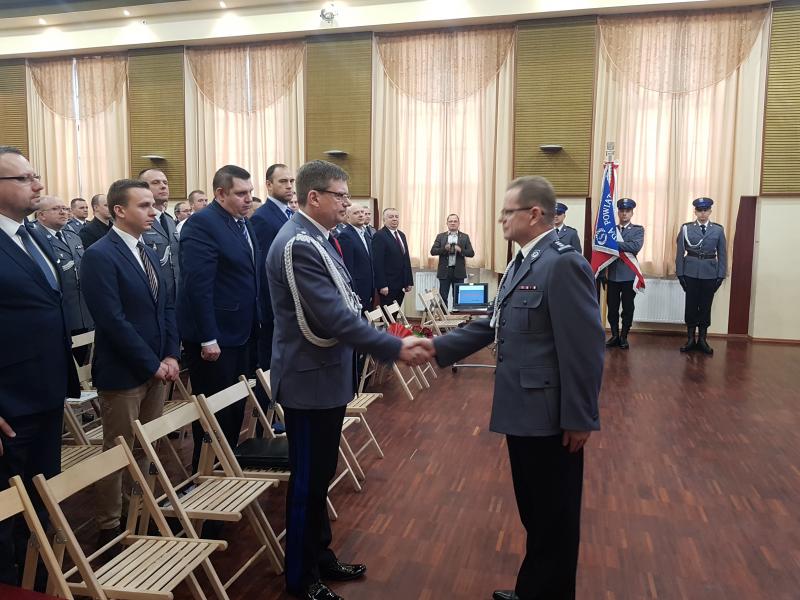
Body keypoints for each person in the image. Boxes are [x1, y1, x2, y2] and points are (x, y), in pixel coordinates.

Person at [427, 175, 604, 600]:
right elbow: (492, 323)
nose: (501, 219)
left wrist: (580, 418)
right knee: (535, 513)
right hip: (522, 411)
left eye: (508, 212)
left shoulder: (562, 262)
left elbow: (584, 348)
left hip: (550, 417)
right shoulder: (524, 261)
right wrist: (433, 347)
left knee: (553, 518)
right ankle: (534, 590)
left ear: (534, 214)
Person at [267, 159, 431, 600]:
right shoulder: (298, 244)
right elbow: (333, 315)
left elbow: (346, 302)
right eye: (340, 195)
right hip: (309, 379)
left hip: (326, 374)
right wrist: (393, 346)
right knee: (307, 481)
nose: (347, 203)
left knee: (321, 475)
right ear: (314, 197)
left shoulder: (318, 239)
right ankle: (301, 580)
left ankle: (320, 557)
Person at [80, 179, 180, 548]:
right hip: (124, 371)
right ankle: (109, 523)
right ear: (119, 210)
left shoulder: (147, 250)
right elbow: (111, 319)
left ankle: (139, 507)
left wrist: (170, 355)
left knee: (146, 447)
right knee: (118, 449)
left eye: (153, 205)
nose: (153, 211)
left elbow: (165, 306)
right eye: (144, 205)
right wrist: (151, 362)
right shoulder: (100, 254)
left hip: (157, 366)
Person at [0, 146, 79, 586]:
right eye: (25, 178)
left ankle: (39, 581)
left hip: (45, 393)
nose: (39, 185)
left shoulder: (30, 235)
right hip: (8, 402)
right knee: (4, 516)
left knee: (42, 500)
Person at [178, 165, 260, 468]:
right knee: (215, 409)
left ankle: (228, 463)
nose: (248, 198)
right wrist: (207, 337)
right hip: (215, 336)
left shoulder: (241, 223)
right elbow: (197, 286)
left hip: (241, 330)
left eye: (250, 192)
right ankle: (207, 469)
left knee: (237, 403)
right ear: (220, 193)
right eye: (241, 193)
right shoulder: (201, 224)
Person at [251, 164, 296, 370]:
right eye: (283, 181)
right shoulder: (263, 217)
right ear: (268, 185)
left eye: (291, 181)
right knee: (270, 361)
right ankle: (267, 401)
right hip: (274, 305)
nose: (289, 186)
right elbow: (264, 269)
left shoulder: (289, 214)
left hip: (290, 300)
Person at [35, 196, 94, 342]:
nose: (63, 212)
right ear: (41, 215)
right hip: (60, 313)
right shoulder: (35, 238)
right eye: (56, 209)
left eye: (65, 209)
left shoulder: (73, 236)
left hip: (84, 311)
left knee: (88, 359)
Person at [676, 197, 727, 355]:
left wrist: (721, 275)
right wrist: (680, 273)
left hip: (710, 273)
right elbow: (679, 252)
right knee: (691, 305)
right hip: (690, 272)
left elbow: (722, 254)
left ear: (710, 211)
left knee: (705, 306)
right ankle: (691, 339)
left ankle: (703, 339)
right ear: (695, 212)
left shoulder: (718, 230)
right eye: (700, 210)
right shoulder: (686, 228)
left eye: (705, 210)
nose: (703, 213)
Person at [603, 198, 644, 350]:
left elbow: (634, 247)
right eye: (622, 211)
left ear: (632, 212)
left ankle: (624, 336)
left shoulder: (638, 230)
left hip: (628, 275)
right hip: (612, 274)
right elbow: (603, 247)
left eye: (627, 211)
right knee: (612, 307)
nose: (624, 213)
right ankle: (614, 334)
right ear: (618, 212)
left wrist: (613, 244)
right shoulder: (610, 229)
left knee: (628, 307)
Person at [140, 169, 180, 301]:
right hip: (153, 296)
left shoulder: (169, 220)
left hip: (176, 295)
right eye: (155, 183)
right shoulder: (139, 221)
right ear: (142, 188)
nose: (163, 186)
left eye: (165, 182)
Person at [430, 213, 474, 305]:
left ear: (458, 223)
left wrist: (460, 250)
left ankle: (457, 317)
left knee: (458, 298)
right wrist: (444, 249)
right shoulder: (440, 236)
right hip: (444, 272)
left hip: (459, 272)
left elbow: (471, 253)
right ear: (447, 223)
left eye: (455, 221)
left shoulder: (465, 237)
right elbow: (433, 251)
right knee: (443, 297)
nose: (453, 223)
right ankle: (444, 318)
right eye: (450, 221)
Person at [372, 207, 413, 306]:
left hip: (400, 283)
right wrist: (382, 285)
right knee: (388, 315)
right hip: (388, 285)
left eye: (396, 217)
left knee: (395, 312)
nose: (394, 219)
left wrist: (408, 281)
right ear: (384, 220)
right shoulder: (379, 236)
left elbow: (406, 259)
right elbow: (378, 262)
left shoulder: (401, 235)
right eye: (391, 217)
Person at [337, 204, 374, 312]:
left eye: (362, 212)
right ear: (348, 217)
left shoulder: (365, 233)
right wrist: (354, 292)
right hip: (358, 288)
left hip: (368, 286)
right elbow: (348, 267)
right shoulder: (345, 235)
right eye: (356, 213)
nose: (361, 215)